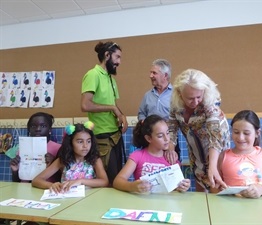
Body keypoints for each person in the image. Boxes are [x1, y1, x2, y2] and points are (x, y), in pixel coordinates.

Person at [167, 69, 230, 192]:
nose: (195, 102)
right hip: (196, 153)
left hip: (216, 154)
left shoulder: (211, 107)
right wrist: (170, 150)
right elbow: (172, 128)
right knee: (200, 188)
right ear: (180, 94)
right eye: (190, 98)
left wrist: (213, 167)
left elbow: (215, 139)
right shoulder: (176, 105)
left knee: (215, 187)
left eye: (198, 97)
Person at [81, 41, 128, 186]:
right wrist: (113, 109)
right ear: (107, 55)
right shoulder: (92, 74)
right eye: (117, 57)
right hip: (102, 138)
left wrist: (122, 116)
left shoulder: (110, 78)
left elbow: (113, 104)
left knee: (118, 179)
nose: (119, 62)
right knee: (108, 181)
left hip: (115, 135)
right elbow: (85, 105)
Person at [217, 110, 262, 198]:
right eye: (236, 132)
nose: (241, 137)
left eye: (246, 133)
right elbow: (215, 191)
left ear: (257, 133)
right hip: (234, 209)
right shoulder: (223, 156)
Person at [113, 115, 190, 193]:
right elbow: (117, 181)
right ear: (148, 138)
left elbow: (176, 187)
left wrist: (183, 186)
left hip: (165, 203)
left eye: (167, 133)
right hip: (143, 202)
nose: (167, 139)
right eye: (160, 136)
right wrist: (132, 186)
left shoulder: (171, 159)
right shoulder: (137, 156)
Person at [32, 122, 109, 193]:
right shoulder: (63, 161)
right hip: (68, 198)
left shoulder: (94, 159)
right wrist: (51, 185)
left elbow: (104, 181)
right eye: (80, 142)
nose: (85, 146)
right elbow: (36, 180)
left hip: (90, 197)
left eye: (88, 141)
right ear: (70, 143)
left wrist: (81, 181)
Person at [137, 59, 181, 159]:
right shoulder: (147, 95)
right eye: (150, 73)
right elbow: (141, 113)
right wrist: (143, 120)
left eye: (154, 73)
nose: (150, 76)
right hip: (151, 142)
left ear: (165, 75)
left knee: (171, 168)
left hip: (170, 142)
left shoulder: (176, 95)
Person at [10, 112, 61, 182]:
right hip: (24, 189)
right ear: (29, 130)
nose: (38, 129)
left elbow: (63, 179)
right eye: (33, 126)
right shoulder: (23, 149)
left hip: (46, 190)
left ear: (50, 130)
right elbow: (17, 182)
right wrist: (15, 171)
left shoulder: (58, 149)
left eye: (43, 126)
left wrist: (54, 163)